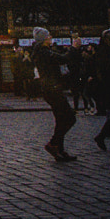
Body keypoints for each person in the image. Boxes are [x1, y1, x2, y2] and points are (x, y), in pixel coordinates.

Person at [29, 27, 78, 161]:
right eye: (49, 36)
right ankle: (53, 143)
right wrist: (73, 48)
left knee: (61, 119)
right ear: (44, 39)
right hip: (52, 89)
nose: (51, 37)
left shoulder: (42, 51)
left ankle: (59, 149)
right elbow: (63, 59)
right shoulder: (44, 53)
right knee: (69, 117)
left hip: (50, 88)